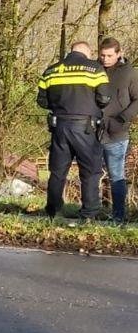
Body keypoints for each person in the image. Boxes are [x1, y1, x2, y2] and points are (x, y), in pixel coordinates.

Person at [37, 41, 111, 220]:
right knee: (90, 171)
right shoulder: (95, 69)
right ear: (87, 52)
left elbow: (42, 101)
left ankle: (53, 212)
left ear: (71, 52)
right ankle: (88, 214)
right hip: (85, 127)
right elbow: (104, 98)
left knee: (58, 171)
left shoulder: (51, 70)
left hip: (60, 127)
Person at [99, 37, 137, 222]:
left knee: (116, 175)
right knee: (89, 175)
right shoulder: (95, 71)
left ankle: (119, 216)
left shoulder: (130, 73)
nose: (105, 59)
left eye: (109, 55)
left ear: (119, 54)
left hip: (117, 132)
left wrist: (122, 119)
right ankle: (91, 211)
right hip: (93, 131)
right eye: (102, 55)